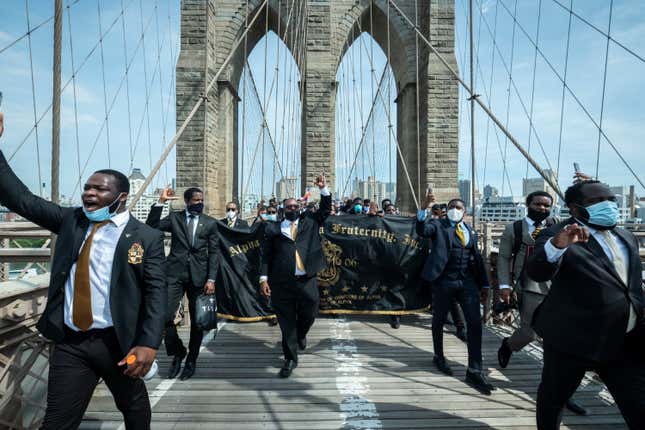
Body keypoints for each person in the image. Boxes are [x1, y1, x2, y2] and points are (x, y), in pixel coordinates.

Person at [0, 112, 166, 429]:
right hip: (71, 342)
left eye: (99, 189)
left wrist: (148, 343)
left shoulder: (146, 237)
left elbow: (156, 294)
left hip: (119, 342)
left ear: (120, 197)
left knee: (133, 408)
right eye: (87, 187)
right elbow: (20, 199)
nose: (89, 193)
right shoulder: (71, 221)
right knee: (58, 420)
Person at [526, 180, 645, 429]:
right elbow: (537, 271)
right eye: (597, 201)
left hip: (624, 339)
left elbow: (630, 286)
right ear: (575, 209)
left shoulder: (626, 236)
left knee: (638, 403)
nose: (608, 205)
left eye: (611, 199)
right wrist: (558, 245)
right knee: (554, 398)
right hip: (572, 339)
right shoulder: (558, 234)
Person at [496, 191, 587, 415]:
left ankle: (561, 394)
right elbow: (504, 257)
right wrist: (504, 285)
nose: (542, 208)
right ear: (528, 204)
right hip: (529, 285)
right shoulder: (515, 229)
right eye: (537, 204)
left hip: (559, 287)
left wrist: (582, 187)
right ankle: (509, 345)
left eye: (547, 205)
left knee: (560, 343)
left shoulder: (561, 226)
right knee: (529, 333)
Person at [416, 189, 495, 395]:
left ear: (465, 212)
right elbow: (422, 231)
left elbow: (477, 258)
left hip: (467, 283)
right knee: (439, 320)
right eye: (451, 207)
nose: (454, 210)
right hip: (443, 281)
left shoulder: (470, 230)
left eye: (458, 208)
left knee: (475, 324)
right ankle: (439, 356)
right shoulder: (438, 226)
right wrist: (424, 207)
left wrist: (485, 284)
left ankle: (474, 369)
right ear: (445, 211)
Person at [259, 174, 332, 378]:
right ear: (283, 209)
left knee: (310, 310)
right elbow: (266, 255)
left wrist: (323, 189)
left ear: (300, 208)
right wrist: (263, 279)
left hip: (306, 279)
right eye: (288, 207)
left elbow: (325, 209)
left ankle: (302, 334)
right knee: (286, 321)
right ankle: (290, 359)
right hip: (281, 282)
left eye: (295, 206)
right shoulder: (272, 228)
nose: (292, 209)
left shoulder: (310, 222)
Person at [146, 186, 219, 381]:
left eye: (201, 200)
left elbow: (215, 253)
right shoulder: (175, 218)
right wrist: (161, 202)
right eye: (196, 200)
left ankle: (191, 361)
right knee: (164, 316)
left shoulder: (210, 223)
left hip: (200, 278)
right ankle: (178, 351)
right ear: (187, 202)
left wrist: (211, 279)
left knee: (198, 321)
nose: (200, 203)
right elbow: (151, 226)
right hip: (174, 274)